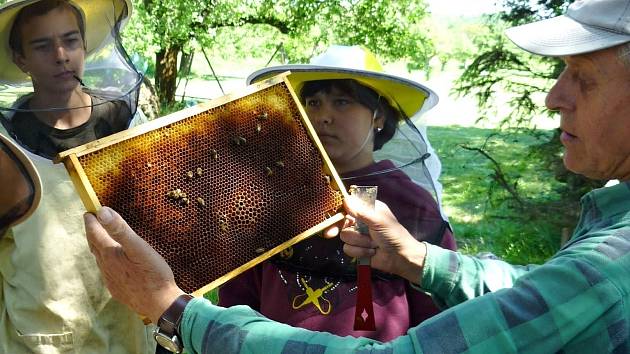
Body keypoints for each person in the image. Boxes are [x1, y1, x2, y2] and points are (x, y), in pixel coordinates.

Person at [85, 0, 630, 352]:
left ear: (380, 117)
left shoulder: (611, 265)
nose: (554, 97)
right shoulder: (268, 194)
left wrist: (175, 309)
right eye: (313, 100)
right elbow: (535, 295)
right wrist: (417, 259)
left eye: (582, 77)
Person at [219, 45, 455, 341]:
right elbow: (239, 295)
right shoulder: (275, 191)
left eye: (342, 102)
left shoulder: (412, 205)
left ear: (379, 116)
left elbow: (439, 312)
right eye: (313, 102)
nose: (323, 116)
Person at [0, 0, 155, 353]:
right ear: (20, 58)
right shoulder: (4, 145)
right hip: (38, 342)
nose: (60, 55)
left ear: (84, 46)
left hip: (130, 335)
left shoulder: (128, 125)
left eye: (70, 40)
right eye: (42, 46)